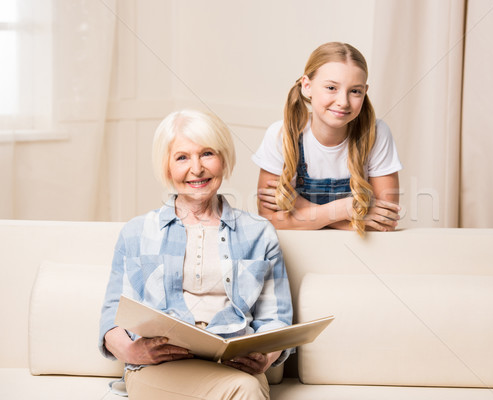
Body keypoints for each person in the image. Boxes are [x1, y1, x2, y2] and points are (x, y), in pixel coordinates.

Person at [98, 109, 293, 400]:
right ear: (166, 167)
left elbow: (277, 319)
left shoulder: (259, 233)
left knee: (246, 384)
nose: (197, 168)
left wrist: (265, 358)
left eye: (207, 154)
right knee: (245, 391)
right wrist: (132, 351)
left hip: (232, 366)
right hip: (159, 368)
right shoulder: (137, 232)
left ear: (224, 160)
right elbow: (113, 317)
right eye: (182, 157)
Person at [252, 42, 403, 235]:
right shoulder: (281, 134)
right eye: (331, 87)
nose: (343, 102)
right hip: (299, 254)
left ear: (365, 92)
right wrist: (344, 210)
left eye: (355, 91)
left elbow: (384, 223)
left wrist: (299, 205)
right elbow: (270, 220)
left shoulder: (377, 133)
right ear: (307, 86)